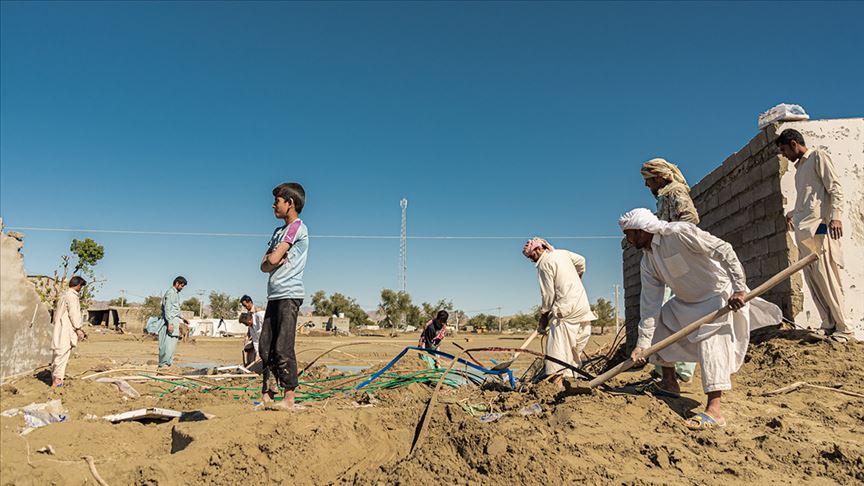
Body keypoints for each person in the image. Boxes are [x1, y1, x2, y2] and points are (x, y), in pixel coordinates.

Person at [620, 208, 781, 430]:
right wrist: (642, 346)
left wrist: (739, 289)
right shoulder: (648, 262)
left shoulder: (679, 233)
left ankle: (714, 411)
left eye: (628, 234)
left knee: (711, 341)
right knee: (660, 321)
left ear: (640, 231)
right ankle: (669, 383)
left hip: (717, 297)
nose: (626, 240)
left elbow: (724, 250)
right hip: (686, 302)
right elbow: (650, 306)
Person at [776, 129, 856, 343]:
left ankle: (844, 327)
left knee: (827, 277)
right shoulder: (799, 169)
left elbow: (835, 189)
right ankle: (828, 324)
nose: (783, 155)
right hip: (804, 232)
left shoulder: (818, 157)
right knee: (813, 280)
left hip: (820, 230)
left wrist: (836, 217)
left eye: (784, 150)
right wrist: (792, 214)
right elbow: (808, 200)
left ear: (793, 144)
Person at [641, 157, 699, 383]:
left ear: (658, 177)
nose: (647, 186)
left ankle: (679, 370)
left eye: (648, 180)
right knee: (665, 315)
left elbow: (690, 219)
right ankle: (665, 369)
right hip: (671, 259)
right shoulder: (665, 196)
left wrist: (665, 232)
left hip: (680, 260)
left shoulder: (676, 192)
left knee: (673, 314)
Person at [522, 237, 597, 389]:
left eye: (532, 256)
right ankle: (571, 377)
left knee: (557, 345)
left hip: (566, 308)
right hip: (581, 304)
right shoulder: (563, 253)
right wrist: (577, 278)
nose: (532, 260)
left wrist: (543, 317)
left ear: (538, 249)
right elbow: (581, 261)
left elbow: (548, 295)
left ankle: (557, 384)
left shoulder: (544, 264)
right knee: (573, 344)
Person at [259, 182, 309, 409]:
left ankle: (289, 397)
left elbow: (272, 258)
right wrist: (273, 259)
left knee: (283, 346)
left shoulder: (297, 227)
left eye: (277, 201)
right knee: (265, 345)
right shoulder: (278, 232)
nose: (273, 206)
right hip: (274, 295)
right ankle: (267, 396)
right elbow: (264, 264)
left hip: (289, 294)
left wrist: (273, 259)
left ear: (289, 204)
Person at [50, 276, 87, 387]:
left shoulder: (64, 295)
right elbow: (74, 313)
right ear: (78, 285)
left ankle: (56, 379)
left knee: (59, 353)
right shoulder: (72, 296)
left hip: (61, 327)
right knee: (63, 353)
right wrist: (78, 329)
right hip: (66, 328)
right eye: (81, 286)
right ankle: (57, 382)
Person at [157, 276, 190, 368]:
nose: (182, 288)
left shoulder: (176, 294)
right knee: (167, 345)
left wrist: (183, 318)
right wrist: (170, 323)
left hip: (174, 322)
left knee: (172, 345)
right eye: (181, 286)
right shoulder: (171, 293)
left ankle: (168, 364)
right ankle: (164, 364)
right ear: (177, 283)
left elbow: (175, 309)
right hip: (169, 322)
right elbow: (168, 309)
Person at [240, 295, 265, 364]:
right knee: (248, 347)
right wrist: (247, 336)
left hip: (267, 334)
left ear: (250, 302)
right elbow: (255, 340)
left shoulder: (259, 312)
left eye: (245, 305)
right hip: (258, 336)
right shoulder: (249, 315)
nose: (245, 307)